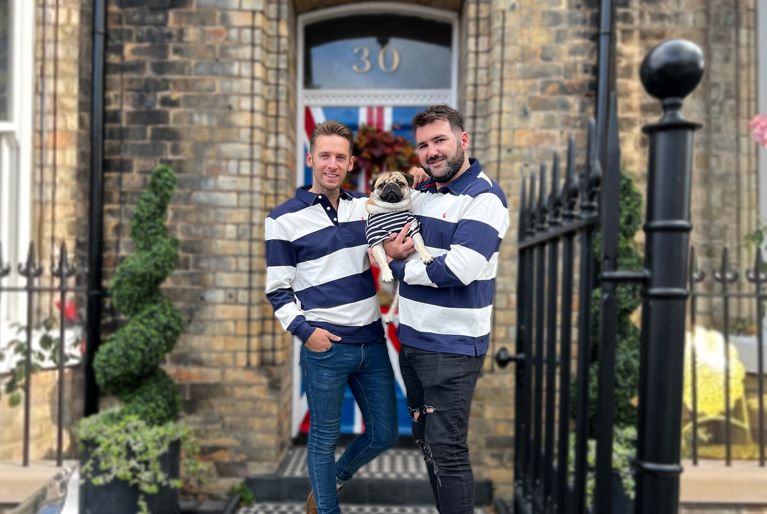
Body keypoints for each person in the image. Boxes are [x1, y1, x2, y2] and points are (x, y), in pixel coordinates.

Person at [264, 120, 400, 514]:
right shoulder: (282, 219)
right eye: (324, 155)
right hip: (325, 346)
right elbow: (278, 288)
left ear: (351, 162)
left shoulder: (364, 206)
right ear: (310, 159)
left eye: (340, 157)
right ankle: (326, 508)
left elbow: (407, 203)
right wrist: (307, 333)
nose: (332, 164)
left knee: (384, 433)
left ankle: (333, 480)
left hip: (371, 344)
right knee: (323, 438)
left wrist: (420, 177)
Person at [381, 105, 509, 513]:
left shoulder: (484, 198)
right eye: (422, 145)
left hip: (452, 348)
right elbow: (381, 215)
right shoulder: (422, 193)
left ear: (463, 139)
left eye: (440, 140)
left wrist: (398, 265)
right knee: (429, 447)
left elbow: (459, 268)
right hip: (414, 340)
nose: (431, 152)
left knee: (448, 452)